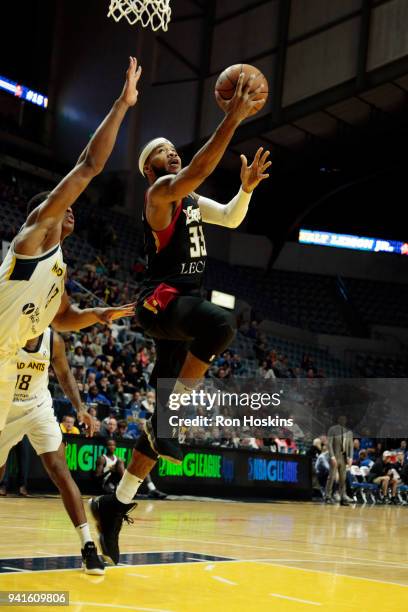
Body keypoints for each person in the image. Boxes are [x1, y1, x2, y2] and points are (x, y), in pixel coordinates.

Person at [90, 71, 271, 564]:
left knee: (157, 426)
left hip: (181, 306)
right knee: (221, 325)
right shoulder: (160, 196)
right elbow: (195, 169)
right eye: (163, 153)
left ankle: (113, 505)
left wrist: (246, 189)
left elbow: (231, 217)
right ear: (150, 170)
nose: (172, 153)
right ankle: (169, 423)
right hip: (160, 302)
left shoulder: (189, 199)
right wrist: (232, 116)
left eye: (174, 149)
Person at [0, 56, 141, 433]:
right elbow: (88, 165)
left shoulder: (57, 266)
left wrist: (98, 314)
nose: (71, 210)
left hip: (7, 360)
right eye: (63, 208)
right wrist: (122, 105)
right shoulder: (34, 236)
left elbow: (60, 318)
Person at [0, 328, 104, 574]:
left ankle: (88, 547)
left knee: (60, 470)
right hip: (5, 410)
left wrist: (80, 408)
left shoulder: (52, 339)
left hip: (38, 408)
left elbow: (65, 373)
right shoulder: (6, 330)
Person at [325, 414, 354, 505]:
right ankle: (327, 496)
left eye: (345, 418)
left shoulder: (349, 432)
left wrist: (350, 458)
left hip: (344, 457)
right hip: (335, 456)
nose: (343, 420)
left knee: (343, 478)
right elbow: (329, 444)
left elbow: (351, 447)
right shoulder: (332, 429)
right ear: (338, 419)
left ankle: (343, 497)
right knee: (332, 477)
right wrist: (332, 456)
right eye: (341, 418)